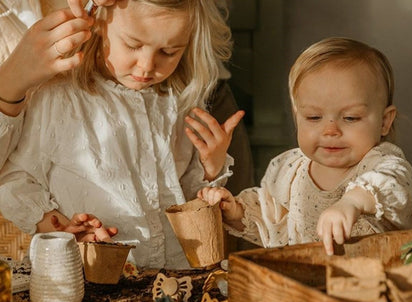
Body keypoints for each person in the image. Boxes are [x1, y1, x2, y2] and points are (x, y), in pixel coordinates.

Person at [0, 0, 244, 269]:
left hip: (172, 274)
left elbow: (182, 194)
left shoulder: (175, 101)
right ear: (97, 24)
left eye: (169, 51)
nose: (147, 66)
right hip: (92, 275)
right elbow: (15, 179)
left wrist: (209, 168)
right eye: (133, 45)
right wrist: (55, 224)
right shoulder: (58, 98)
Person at [198, 37, 412, 255]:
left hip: (377, 285)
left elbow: (393, 187)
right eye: (314, 117)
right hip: (307, 283)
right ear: (297, 118)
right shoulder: (291, 170)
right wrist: (236, 211)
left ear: (384, 121)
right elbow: (273, 222)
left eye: (351, 118)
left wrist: (352, 202)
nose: (330, 130)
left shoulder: (383, 164)